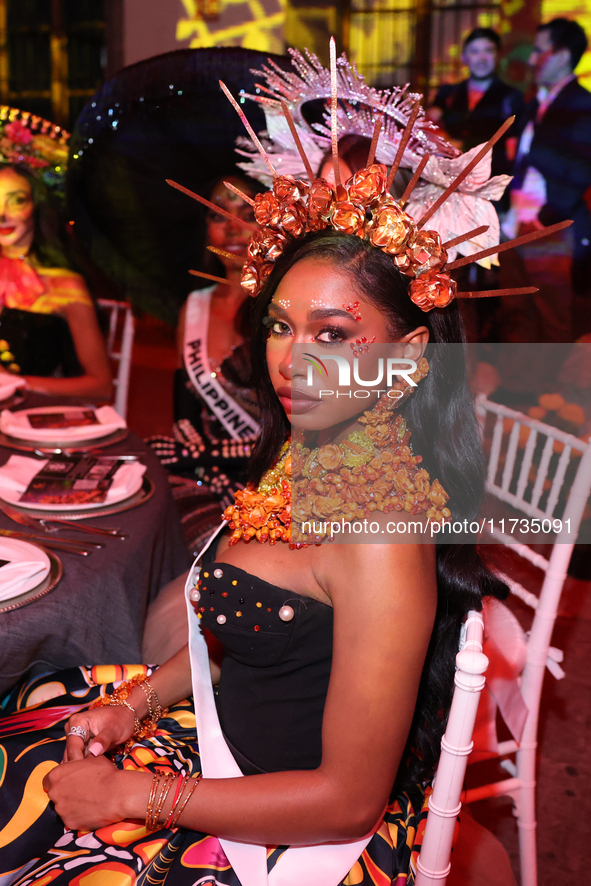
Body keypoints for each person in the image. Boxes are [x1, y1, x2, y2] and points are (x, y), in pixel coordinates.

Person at [0, 147, 511, 883]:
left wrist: (134, 794)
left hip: (283, 830)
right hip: (219, 751)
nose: (291, 361)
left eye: (333, 334)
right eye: (278, 326)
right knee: (26, 710)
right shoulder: (314, 452)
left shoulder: (380, 533)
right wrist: (134, 701)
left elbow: (344, 803)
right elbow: (243, 633)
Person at [148, 176, 261, 553]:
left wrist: (202, 458)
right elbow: (184, 417)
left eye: (248, 214)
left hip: (273, 478)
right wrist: (200, 466)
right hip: (202, 475)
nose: (231, 227)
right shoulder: (193, 306)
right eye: (218, 215)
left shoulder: (287, 307)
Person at [0, 116, 112, 400]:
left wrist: (16, 384)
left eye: (17, 200)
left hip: (31, 427)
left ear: (36, 207)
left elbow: (100, 387)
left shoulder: (65, 285)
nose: (3, 215)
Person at [502, 17, 591, 343]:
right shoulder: (533, 103)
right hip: (515, 222)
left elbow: (581, 169)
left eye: (540, 51)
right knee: (516, 309)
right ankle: (518, 385)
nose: (531, 59)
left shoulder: (581, 104)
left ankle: (549, 390)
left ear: (563, 55)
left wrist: (547, 215)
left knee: (551, 313)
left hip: (548, 226)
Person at [429, 28, 524, 182]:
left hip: (491, 183)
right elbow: (428, 127)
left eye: (488, 51)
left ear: (498, 55)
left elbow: (515, 147)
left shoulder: (511, 97)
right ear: (464, 58)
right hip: (449, 181)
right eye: (474, 52)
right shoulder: (448, 94)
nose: (482, 58)